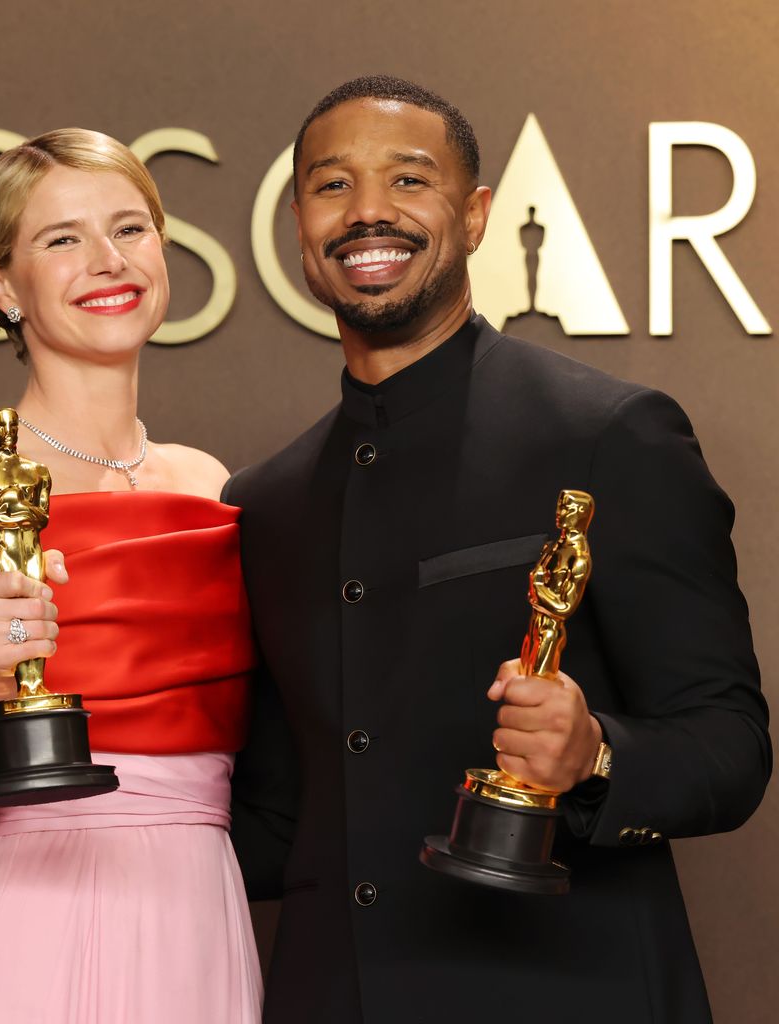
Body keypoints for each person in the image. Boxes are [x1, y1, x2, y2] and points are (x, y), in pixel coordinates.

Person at [227, 76, 771, 1024]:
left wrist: (597, 755)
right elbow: (279, 817)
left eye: (408, 180)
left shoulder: (611, 436)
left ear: (476, 216)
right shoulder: (262, 505)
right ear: (298, 224)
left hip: (565, 994)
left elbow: (729, 745)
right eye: (331, 186)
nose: (368, 214)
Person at [0, 128, 262, 1023]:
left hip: (198, 922)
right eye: (62, 239)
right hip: (28, 928)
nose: (107, 261)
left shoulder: (217, 488)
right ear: (0, 285)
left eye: (131, 228)